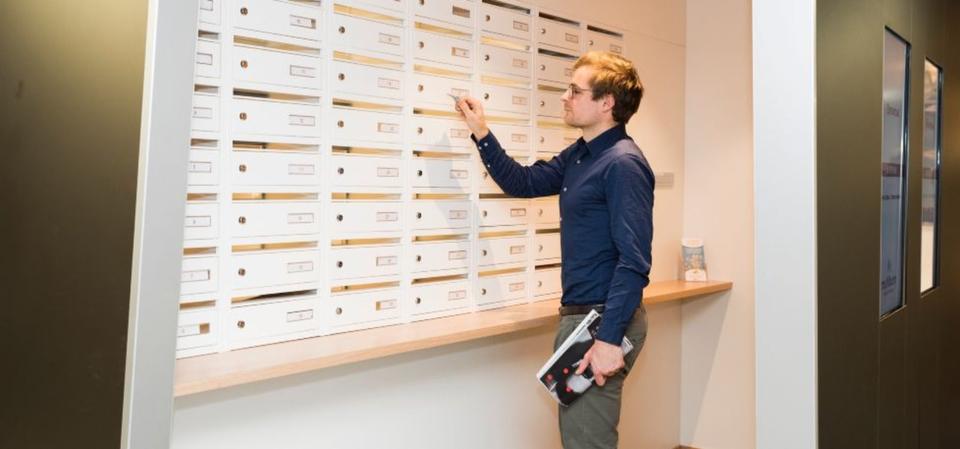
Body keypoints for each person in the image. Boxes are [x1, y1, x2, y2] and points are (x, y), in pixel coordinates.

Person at [455, 51, 654, 449]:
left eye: (575, 91)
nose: (564, 96)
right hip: (583, 318)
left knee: (587, 442)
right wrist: (481, 131)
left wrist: (608, 340)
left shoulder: (622, 164)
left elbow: (634, 261)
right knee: (578, 437)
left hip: (602, 322)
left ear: (606, 102)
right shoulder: (581, 154)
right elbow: (524, 182)